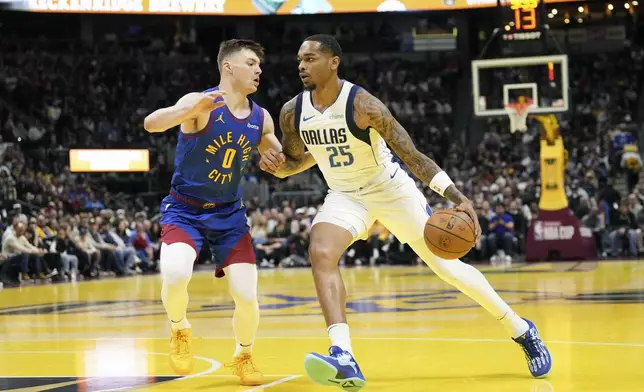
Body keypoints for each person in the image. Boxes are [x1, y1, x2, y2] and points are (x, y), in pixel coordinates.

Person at [259, 35, 552, 390]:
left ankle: (520, 329)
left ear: (333, 61)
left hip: (391, 190)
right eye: (299, 60)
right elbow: (294, 161)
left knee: (448, 269)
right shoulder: (293, 111)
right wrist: (275, 165)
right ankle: (343, 354)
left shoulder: (364, 105)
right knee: (320, 252)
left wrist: (458, 196)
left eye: (310, 58)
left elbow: (412, 156)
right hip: (345, 196)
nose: (301, 66)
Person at [143, 39, 314, 385]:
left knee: (247, 295)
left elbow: (285, 164)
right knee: (175, 275)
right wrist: (187, 111)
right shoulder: (200, 102)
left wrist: (284, 162)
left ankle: (244, 354)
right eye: (251, 63)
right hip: (184, 210)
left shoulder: (260, 117)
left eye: (259, 65)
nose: (258, 70)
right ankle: (180, 329)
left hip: (229, 215)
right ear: (228, 67)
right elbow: (151, 123)